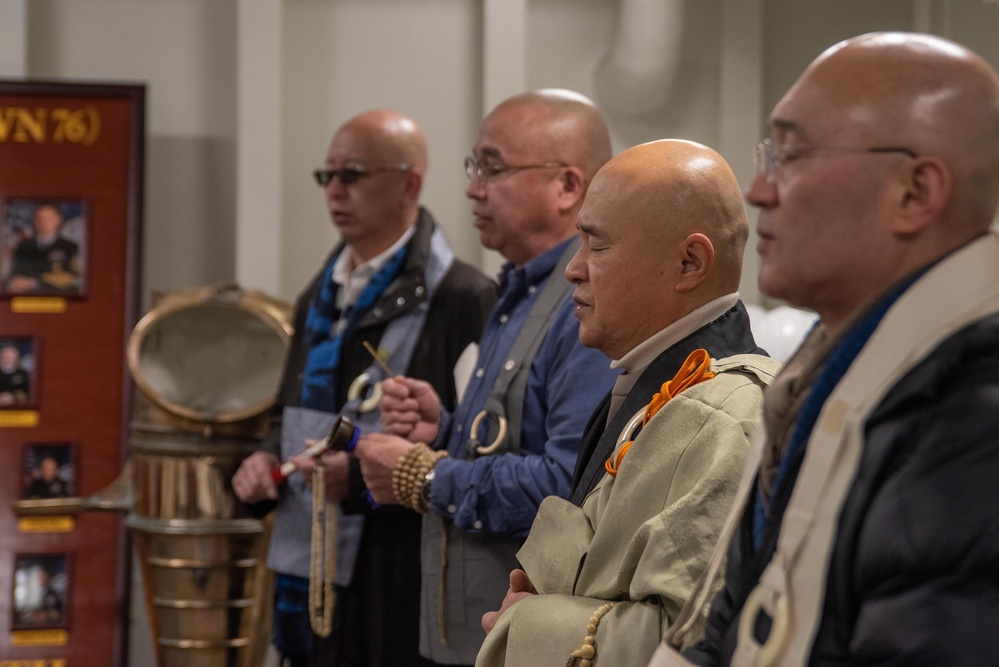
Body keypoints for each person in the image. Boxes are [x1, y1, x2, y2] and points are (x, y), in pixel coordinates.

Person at [647, 32, 999, 667]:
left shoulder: (974, 422)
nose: (758, 191)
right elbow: (742, 614)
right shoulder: (826, 367)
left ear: (914, 192)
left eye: (790, 154)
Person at [475, 139, 780, 667]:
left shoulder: (724, 416)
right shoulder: (657, 385)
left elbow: (695, 641)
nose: (573, 269)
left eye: (596, 246)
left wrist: (526, 622)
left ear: (689, 263)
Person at [353, 89, 619, 666]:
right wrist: (446, 427)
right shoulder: (517, 292)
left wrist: (423, 477)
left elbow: (568, 486)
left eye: (492, 168)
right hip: (473, 634)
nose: (473, 188)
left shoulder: (587, 304)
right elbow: (510, 438)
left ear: (568, 186)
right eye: (474, 167)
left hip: (524, 639)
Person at [230, 109, 497, 667]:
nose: (335, 191)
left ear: (410, 183)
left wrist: (354, 477)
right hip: (310, 559)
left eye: (352, 174)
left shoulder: (463, 299)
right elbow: (289, 413)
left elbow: (479, 447)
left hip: (398, 570)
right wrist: (262, 456)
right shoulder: (318, 296)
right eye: (327, 176)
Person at [5, 203, 80, 294]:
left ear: (58, 219)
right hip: (25, 298)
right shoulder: (24, 246)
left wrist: (34, 283)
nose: (43, 222)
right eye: (39, 218)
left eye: (48, 218)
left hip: (57, 298)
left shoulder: (69, 247)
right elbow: (15, 275)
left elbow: (69, 278)